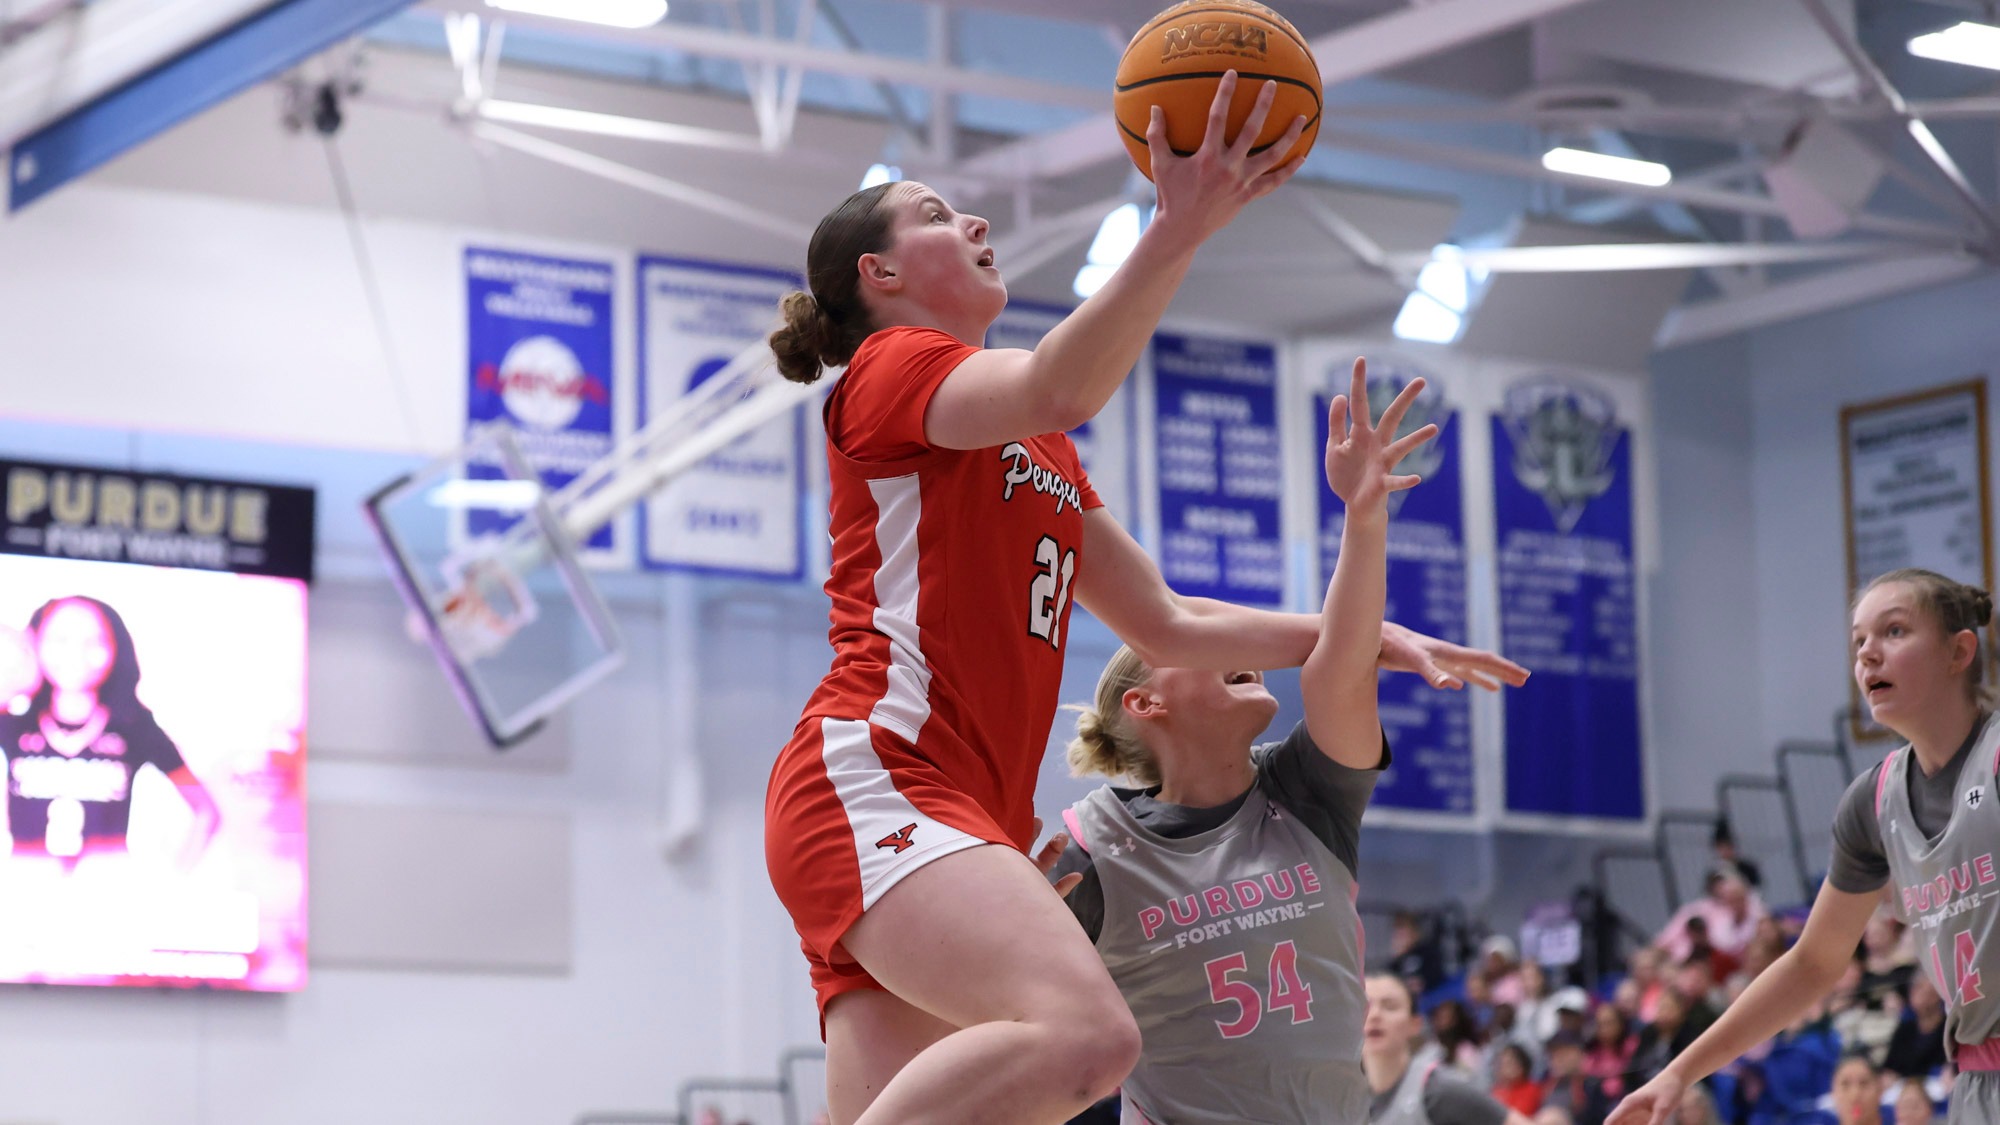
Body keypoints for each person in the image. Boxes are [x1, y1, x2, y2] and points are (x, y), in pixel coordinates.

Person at [759, 74, 1512, 1125]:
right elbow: (1060, 381)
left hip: (958, 806)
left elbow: (1168, 623)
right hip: (882, 772)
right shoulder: (886, 370)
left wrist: (1363, 631)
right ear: (878, 273)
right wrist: (1175, 224)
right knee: (1090, 1039)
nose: (972, 219)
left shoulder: (1036, 445)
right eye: (934, 213)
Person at [1044, 371, 1528, 1121]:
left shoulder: (1303, 790)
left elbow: (1341, 661)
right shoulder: (1090, 848)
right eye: (1206, 633)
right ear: (1147, 703)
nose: (1243, 642)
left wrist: (1364, 517)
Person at [1608, 569, 2000, 1125]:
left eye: (1893, 632)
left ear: (1959, 651)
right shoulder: (1872, 803)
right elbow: (1813, 964)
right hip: (1978, 1084)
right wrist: (1678, 1072)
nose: (1867, 655)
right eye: (1858, 641)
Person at [0, 595, 218, 868]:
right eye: (60, 640)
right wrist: (21, 679)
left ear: (116, 647)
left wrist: (173, 887)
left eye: (94, 641)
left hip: (104, 895)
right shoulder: (14, 724)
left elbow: (205, 811)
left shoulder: (134, 728)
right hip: (28, 891)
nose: (75, 654)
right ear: (36, 643)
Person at [1364, 974, 1534, 1125]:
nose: (1375, 1015)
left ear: (1415, 1024)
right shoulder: (1348, 1096)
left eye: (1390, 1006)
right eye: (1365, 1006)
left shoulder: (1438, 1091)